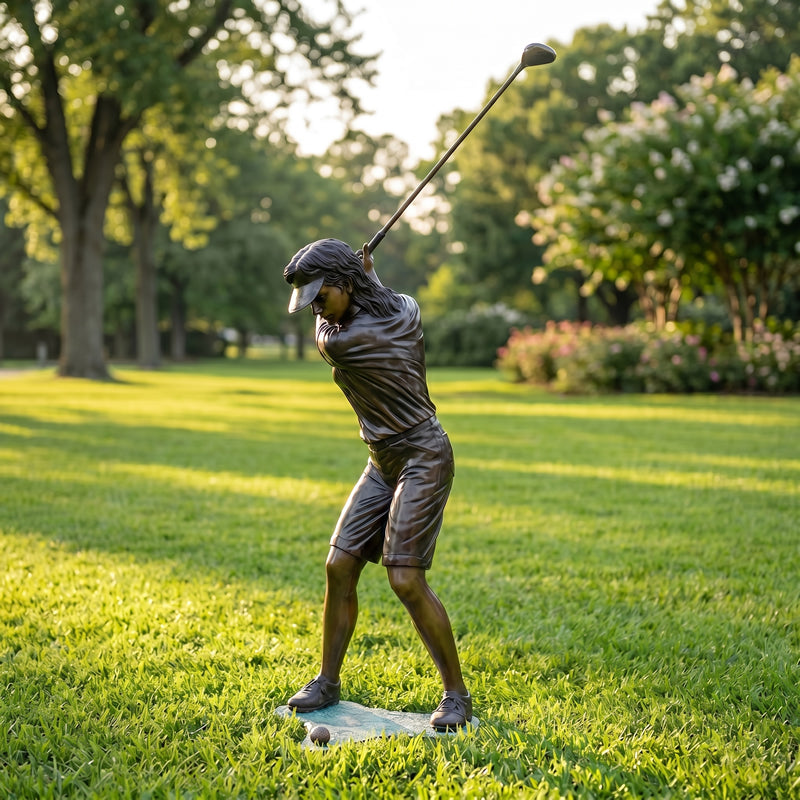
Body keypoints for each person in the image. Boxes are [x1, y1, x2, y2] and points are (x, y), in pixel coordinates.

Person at [283, 238, 472, 730]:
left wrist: (361, 274)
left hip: (423, 456)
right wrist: (368, 276)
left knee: (405, 578)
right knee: (339, 565)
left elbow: (327, 335)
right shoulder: (405, 310)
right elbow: (386, 299)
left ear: (346, 285)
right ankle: (327, 679)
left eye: (321, 298)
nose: (316, 310)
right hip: (382, 459)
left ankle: (456, 694)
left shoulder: (343, 340)